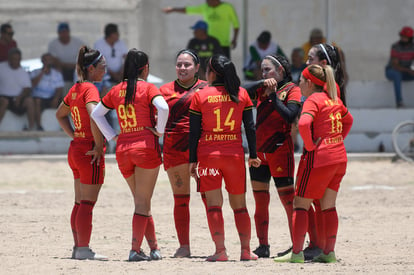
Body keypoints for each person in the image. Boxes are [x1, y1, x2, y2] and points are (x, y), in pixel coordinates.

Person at [91, 49, 169, 262]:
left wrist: (111, 136)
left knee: (140, 201)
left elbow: (96, 113)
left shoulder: (116, 90)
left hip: (124, 148)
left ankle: (154, 248)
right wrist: (160, 131)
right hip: (145, 147)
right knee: (142, 202)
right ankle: (135, 250)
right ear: (145, 68)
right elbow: (163, 108)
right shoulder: (148, 87)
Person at [274, 64, 353, 263]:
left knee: (300, 205)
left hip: (319, 159)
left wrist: (309, 146)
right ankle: (328, 253)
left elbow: (302, 123)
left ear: (309, 83)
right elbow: (349, 120)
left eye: (301, 80)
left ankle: (297, 253)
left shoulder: (313, 100)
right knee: (329, 206)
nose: (298, 82)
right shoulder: (333, 99)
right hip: (339, 157)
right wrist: (338, 138)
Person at [188, 54, 260, 262]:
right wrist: (253, 154)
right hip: (234, 156)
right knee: (240, 205)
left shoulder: (200, 96)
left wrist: (193, 160)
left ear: (212, 73)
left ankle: (220, 251)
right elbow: (250, 127)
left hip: (208, 156)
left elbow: (193, 132)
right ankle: (246, 251)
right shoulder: (242, 94)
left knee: (213, 205)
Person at [243, 55, 302, 258]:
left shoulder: (292, 90)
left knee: (288, 202)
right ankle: (263, 245)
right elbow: (240, 90)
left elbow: (290, 116)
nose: (264, 73)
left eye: (268, 70)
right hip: (259, 152)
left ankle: (297, 246)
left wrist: (273, 97)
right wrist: (262, 83)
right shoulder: (261, 87)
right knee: (260, 201)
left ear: (281, 71)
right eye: (262, 70)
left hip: (279, 151)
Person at [55, 45, 107, 260]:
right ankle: (84, 249)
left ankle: (79, 247)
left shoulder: (75, 88)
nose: (105, 70)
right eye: (102, 67)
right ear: (92, 68)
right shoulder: (90, 89)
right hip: (88, 151)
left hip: (76, 149)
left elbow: (60, 114)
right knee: (87, 203)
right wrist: (97, 145)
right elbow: (95, 114)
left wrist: (74, 134)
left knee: (79, 202)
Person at [160, 49, 208, 258]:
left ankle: (218, 245)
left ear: (197, 67)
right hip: (174, 151)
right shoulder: (163, 90)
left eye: (187, 65)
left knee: (210, 198)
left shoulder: (207, 89)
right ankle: (184, 246)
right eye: (179, 64)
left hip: (202, 150)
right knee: (181, 199)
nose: (182, 68)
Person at [304, 42, 348, 260]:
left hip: (319, 153)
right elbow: (345, 121)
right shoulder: (332, 87)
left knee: (311, 201)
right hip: (332, 152)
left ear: (322, 64)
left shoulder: (325, 90)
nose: (306, 63)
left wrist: (317, 144)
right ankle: (323, 248)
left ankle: (317, 245)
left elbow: (306, 124)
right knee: (322, 202)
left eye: (310, 59)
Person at [163, 0, 239, 59]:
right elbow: (189, 10)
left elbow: (236, 24)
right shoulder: (205, 7)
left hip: (223, 43)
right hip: (209, 44)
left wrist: (234, 39)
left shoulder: (228, 7)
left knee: (224, 68)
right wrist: (173, 9)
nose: (207, 1)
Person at [0, 48, 35, 130]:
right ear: (9, 59)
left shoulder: (23, 72)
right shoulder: (1, 67)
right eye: (14, 59)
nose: (16, 61)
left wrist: (19, 97)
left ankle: (31, 128)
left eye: (18, 59)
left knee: (29, 101)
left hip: (17, 98)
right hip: (3, 97)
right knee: (4, 101)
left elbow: (27, 88)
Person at [30, 53, 64, 130]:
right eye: (46, 60)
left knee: (66, 101)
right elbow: (32, 84)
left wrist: (56, 98)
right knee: (37, 101)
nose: (48, 62)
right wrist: (42, 73)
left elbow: (59, 88)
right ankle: (39, 126)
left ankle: (62, 126)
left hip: (51, 97)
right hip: (38, 97)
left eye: (49, 60)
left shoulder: (57, 74)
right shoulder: (35, 72)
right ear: (42, 61)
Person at [385, 26, 414, 108]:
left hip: (406, 72)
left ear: (410, 38)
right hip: (392, 71)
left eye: (405, 37)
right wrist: (409, 70)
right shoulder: (395, 47)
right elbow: (395, 65)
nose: (403, 39)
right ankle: (399, 102)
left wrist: (412, 69)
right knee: (397, 74)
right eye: (402, 36)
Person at [94, 23, 128, 89]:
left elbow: (126, 58)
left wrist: (122, 71)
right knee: (103, 81)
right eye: (117, 33)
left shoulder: (121, 43)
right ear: (111, 34)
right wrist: (113, 74)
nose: (119, 35)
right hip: (105, 72)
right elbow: (99, 63)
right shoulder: (99, 44)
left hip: (120, 72)